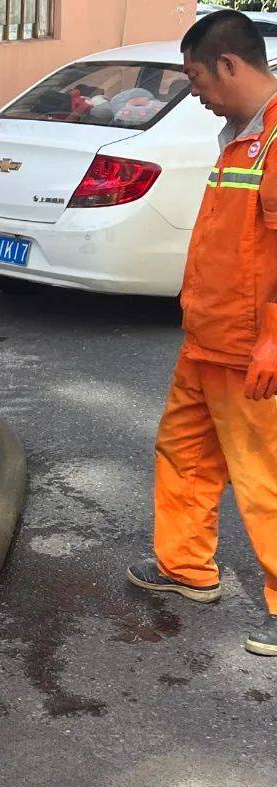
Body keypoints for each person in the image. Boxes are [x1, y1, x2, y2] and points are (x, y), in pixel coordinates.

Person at [128, 10, 277, 657]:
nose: (194, 90)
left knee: (265, 479)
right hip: (208, 339)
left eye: (195, 76)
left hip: (252, 349)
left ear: (228, 65)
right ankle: (186, 567)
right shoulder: (238, 137)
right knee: (184, 456)